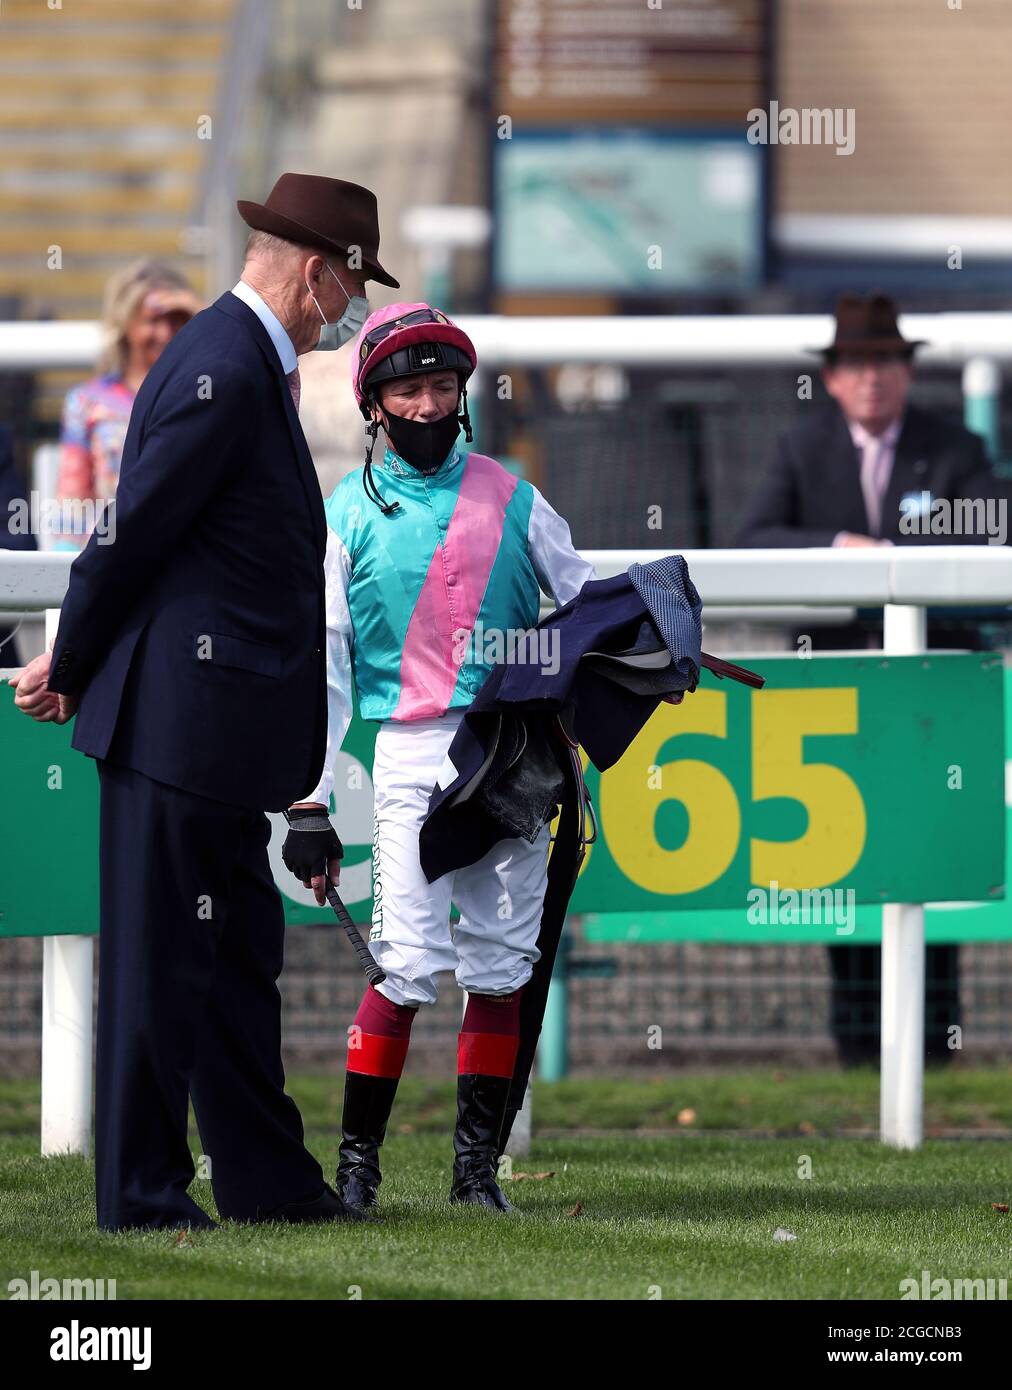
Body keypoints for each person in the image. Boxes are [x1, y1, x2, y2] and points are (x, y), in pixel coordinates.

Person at [8, 173, 399, 1230]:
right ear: (318, 271)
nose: (348, 310)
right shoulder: (227, 364)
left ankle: (267, 1180)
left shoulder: (233, 362)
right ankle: (139, 1194)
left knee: (233, 966)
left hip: (214, 729)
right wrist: (73, 657)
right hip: (180, 723)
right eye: (350, 286)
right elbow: (134, 533)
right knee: (163, 968)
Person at [280, 302, 595, 1214]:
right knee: (407, 962)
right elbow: (327, 666)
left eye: (441, 386)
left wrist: (653, 635)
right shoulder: (343, 514)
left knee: (500, 965)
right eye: (406, 388)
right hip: (412, 750)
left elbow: (583, 609)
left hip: (512, 751)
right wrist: (307, 803)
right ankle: (356, 1169)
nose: (425, 404)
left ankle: (474, 1175)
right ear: (373, 404)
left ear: (463, 394)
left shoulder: (514, 493)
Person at [737, 293, 999, 1065]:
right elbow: (753, 539)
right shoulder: (801, 448)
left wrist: (900, 559)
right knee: (835, 861)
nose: (873, 378)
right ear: (834, 377)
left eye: (886, 362)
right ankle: (857, 1041)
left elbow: (990, 528)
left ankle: (930, 1046)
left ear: (907, 372)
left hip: (926, 701)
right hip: (834, 697)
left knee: (929, 856)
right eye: (858, 364)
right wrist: (840, 547)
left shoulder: (956, 449)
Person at [54, 260, 200, 550]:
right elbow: (73, 502)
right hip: (111, 556)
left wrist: (206, 321)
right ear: (126, 324)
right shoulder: (87, 402)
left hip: (191, 558)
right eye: (153, 320)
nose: (166, 333)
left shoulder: (205, 392)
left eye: (177, 320)